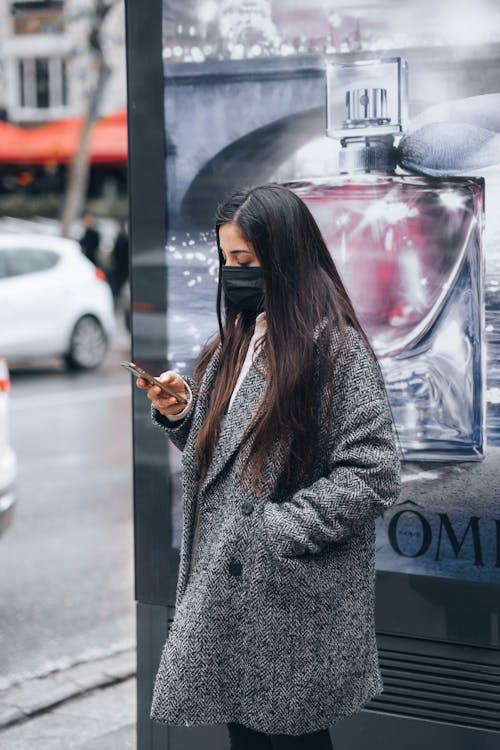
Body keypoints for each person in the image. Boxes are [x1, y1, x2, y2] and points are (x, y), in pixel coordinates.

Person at [136, 184, 401, 749]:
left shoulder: (335, 349)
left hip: (287, 597)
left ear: (283, 259)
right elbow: (234, 460)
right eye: (226, 260)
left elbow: (373, 472)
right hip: (231, 593)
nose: (232, 274)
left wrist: (277, 530)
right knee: (249, 740)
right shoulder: (238, 340)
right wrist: (185, 415)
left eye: (245, 261)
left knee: (297, 741)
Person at [109, 219, 129, 303]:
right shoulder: (120, 238)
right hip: (119, 268)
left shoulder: (123, 239)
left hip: (121, 268)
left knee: (118, 287)